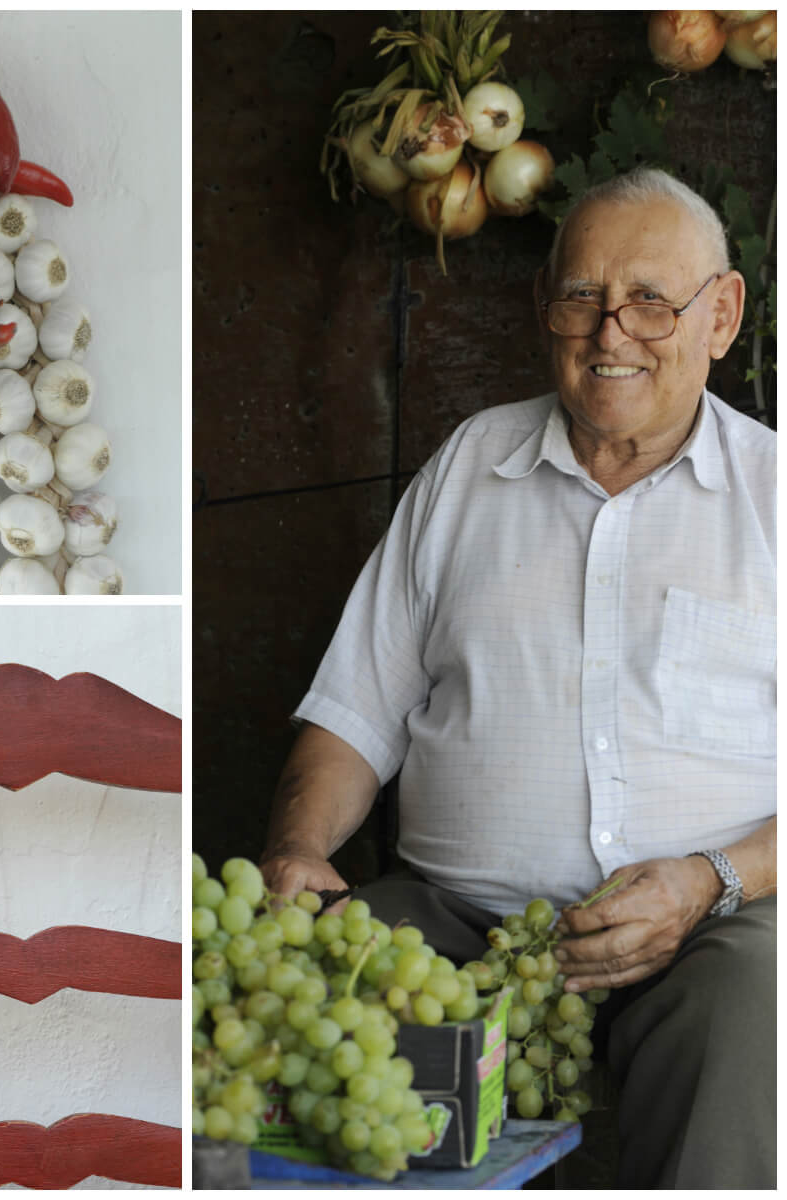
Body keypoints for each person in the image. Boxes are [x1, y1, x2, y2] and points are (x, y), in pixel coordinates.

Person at [258, 166, 775, 1189]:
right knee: (314, 990)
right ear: (546, 305)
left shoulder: (778, 499)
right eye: (583, 295)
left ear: (722, 315)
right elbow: (355, 711)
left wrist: (715, 880)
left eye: (651, 301)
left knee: (766, 999)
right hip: (458, 926)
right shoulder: (468, 468)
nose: (610, 332)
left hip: (717, 923)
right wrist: (298, 848)